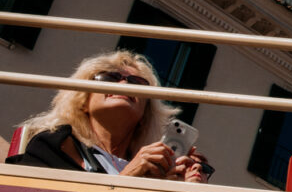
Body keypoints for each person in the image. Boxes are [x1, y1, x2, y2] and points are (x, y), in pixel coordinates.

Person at [7, 49, 211, 181]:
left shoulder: (157, 169)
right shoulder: (54, 144)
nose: (123, 84)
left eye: (137, 83)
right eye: (109, 78)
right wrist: (128, 176)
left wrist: (183, 190)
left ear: (145, 114)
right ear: (83, 102)